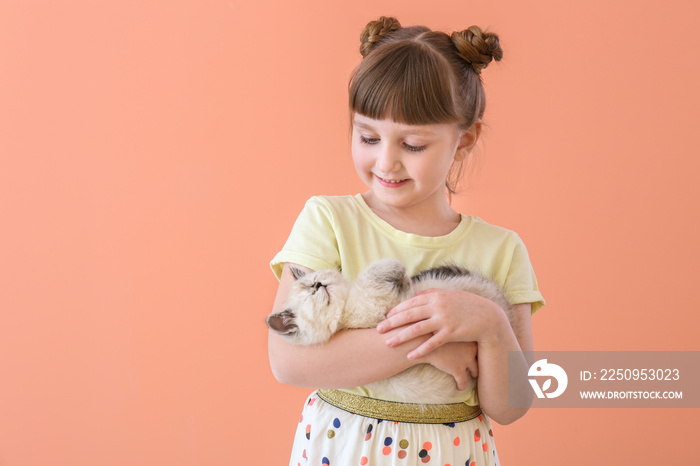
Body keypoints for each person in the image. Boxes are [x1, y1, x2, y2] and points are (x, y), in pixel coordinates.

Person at [268, 16, 545, 466]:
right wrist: (432, 348)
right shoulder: (329, 220)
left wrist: (492, 326)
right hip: (343, 450)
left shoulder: (502, 250)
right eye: (368, 137)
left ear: (465, 139)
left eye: (413, 144)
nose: (386, 161)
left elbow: (510, 406)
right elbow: (289, 360)